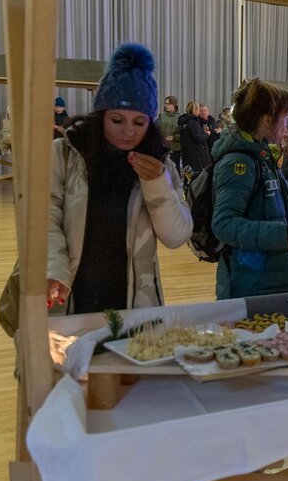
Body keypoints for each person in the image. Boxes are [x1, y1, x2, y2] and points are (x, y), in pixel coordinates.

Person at [46, 43, 192, 314]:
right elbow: (44, 218)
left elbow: (177, 236)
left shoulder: (159, 163)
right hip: (68, 297)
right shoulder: (66, 154)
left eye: (139, 122)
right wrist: (54, 269)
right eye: (117, 120)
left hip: (135, 306)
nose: (128, 131)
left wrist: (158, 185)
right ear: (101, 115)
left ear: (150, 122)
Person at [211, 79, 288, 299]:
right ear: (267, 120)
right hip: (249, 284)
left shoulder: (262, 156)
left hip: (270, 280)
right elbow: (224, 224)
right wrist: (284, 235)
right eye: (285, 117)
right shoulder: (239, 163)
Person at [178, 100, 212, 174]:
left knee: (188, 177)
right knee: (197, 178)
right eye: (199, 110)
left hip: (187, 154)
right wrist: (207, 134)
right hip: (196, 156)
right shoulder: (193, 122)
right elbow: (198, 138)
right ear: (195, 110)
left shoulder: (184, 121)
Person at [157, 95, 181, 169]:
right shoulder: (161, 116)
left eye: (169, 104)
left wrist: (173, 138)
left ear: (174, 105)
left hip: (175, 149)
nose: (167, 106)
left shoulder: (179, 118)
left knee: (175, 170)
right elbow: (157, 130)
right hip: (163, 148)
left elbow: (183, 135)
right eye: (166, 103)